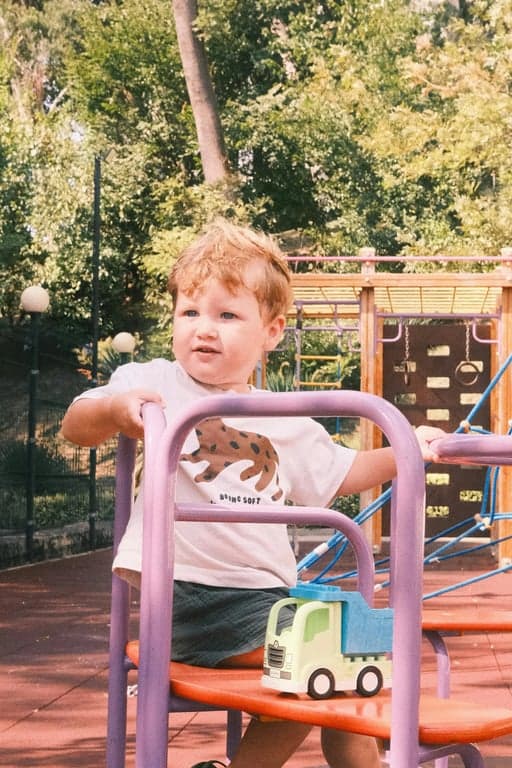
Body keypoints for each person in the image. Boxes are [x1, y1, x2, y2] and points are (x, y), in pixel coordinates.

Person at [61, 218, 444, 768]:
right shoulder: (159, 385)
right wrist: (119, 410)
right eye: (189, 313)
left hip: (266, 601)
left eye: (227, 315)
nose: (204, 329)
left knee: (352, 673)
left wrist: (408, 448)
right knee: (327, 665)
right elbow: (77, 423)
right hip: (187, 597)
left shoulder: (283, 419)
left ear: (271, 331)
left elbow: (347, 473)